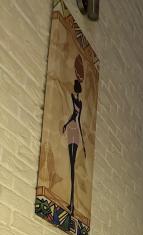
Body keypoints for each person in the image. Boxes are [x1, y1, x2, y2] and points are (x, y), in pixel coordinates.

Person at [62, 54, 86, 217]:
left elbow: (74, 117)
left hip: (73, 131)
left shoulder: (75, 100)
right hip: (74, 131)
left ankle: (72, 203)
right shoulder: (79, 102)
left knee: (72, 165)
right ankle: (72, 203)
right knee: (71, 165)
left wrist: (65, 125)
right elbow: (77, 119)